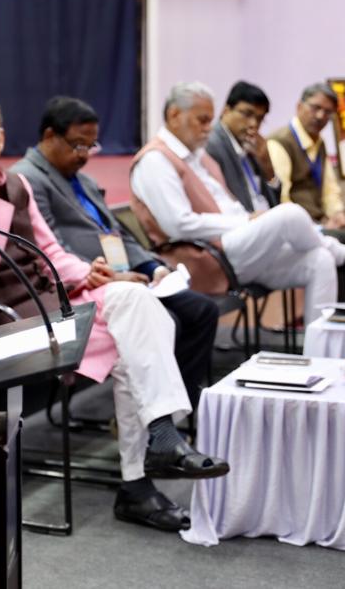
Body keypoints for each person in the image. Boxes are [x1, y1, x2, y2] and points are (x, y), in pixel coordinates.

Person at [0, 90, 229, 533]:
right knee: (129, 341)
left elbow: (50, 254)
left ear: (2, 136)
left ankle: (161, 439)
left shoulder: (16, 186)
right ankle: (141, 478)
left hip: (46, 314)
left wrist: (92, 272)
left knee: (137, 302)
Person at [12, 95, 220, 406]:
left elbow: (116, 233)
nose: (84, 155)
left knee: (201, 310)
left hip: (127, 275)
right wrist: (116, 276)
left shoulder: (83, 180)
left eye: (91, 147)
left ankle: (180, 408)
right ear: (49, 136)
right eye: (78, 145)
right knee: (173, 321)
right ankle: (163, 416)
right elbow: (53, 247)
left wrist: (153, 268)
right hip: (92, 285)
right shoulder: (27, 178)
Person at [129, 81, 345, 325]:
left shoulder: (197, 155)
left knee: (320, 260)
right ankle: (344, 254)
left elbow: (232, 202)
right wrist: (246, 221)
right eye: (202, 120)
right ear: (174, 115)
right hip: (205, 256)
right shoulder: (155, 160)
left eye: (209, 120)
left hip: (235, 247)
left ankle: (317, 352)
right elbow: (179, 224)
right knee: (290, 214)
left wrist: (252, 219)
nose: (208, 128)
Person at [266, 83, 345, 301]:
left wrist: (337, 213)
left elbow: (330, 188)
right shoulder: (280, 143)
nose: (320, 116)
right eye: (315, 108)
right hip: (297, 226)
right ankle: (341, 312)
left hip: (320, 220)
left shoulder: (318, 143)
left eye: (328, 112)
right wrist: (319, 226)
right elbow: (279, 200)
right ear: (299, 106)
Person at [204, 80, 279, 213]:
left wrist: (269, 169)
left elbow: (276, 204)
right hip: (242, 224)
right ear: (226, 111)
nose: (253, 124)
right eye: (247, 114)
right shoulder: (211, 145)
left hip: (264, 221)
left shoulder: (252, 147)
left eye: (260, 118)